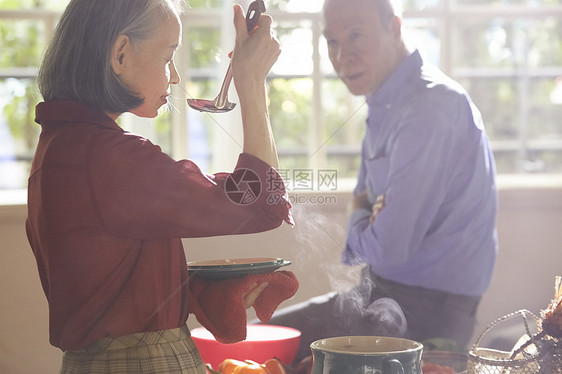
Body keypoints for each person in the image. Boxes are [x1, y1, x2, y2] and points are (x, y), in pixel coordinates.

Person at [25, 0, 297, 372]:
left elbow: (110, 282)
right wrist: (250, 83)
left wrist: (204, 288)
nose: (174, 77)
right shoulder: (107, 157)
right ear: (120, 54)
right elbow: (259, 202)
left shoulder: (61, 148)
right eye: (168, 56)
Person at [266, 0, 498, 361]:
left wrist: (358, 220)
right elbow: (365, 210)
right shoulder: (385, 101)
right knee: (260, 342)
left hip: (426, 312)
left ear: (394, 27)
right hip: (381, 294)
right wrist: (366, 216)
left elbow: (389, 247)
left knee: (277, 356)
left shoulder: (428, 108)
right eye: (332, 42)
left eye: (356, 35)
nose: (343, 56)